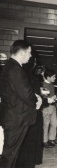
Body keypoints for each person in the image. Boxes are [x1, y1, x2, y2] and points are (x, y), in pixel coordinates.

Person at [0, 40, 38, 168]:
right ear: (22, 53)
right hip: (16, 118)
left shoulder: (9, 66)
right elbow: (26, 94)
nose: (30, 56)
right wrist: (38, 100)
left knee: (11, 153)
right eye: (29, 53)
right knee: (10, 155)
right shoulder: (15, 69)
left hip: (12, 116)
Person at [42, 68, 57, 148]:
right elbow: (45, 97)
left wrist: (55, 97)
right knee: (46, 124)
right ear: (48, 77)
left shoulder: (52, 85)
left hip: (53, 107)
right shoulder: (43, 85)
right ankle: (44, 141)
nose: (55, 78)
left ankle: (51, 139)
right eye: (53, 77)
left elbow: (51, 95)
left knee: (54, 123)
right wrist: (53, 98)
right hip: (47, 108)